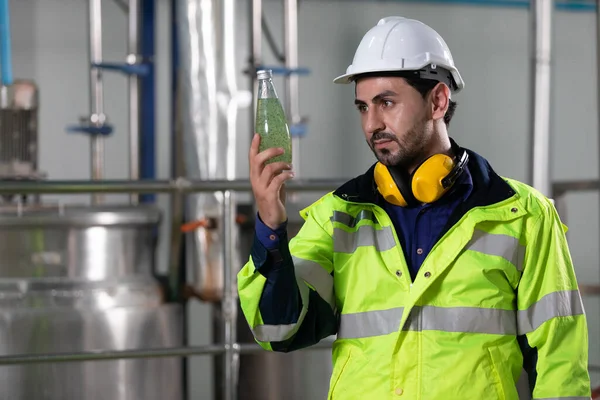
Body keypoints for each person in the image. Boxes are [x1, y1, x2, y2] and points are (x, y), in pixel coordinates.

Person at [238, 16, 591, 400]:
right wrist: (271, 228)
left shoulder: (523, 217)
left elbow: (560, 363)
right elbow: (278, 329)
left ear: (437, 100)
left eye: (386, 103)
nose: (372, 124)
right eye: (362, 107)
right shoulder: (339, 218)